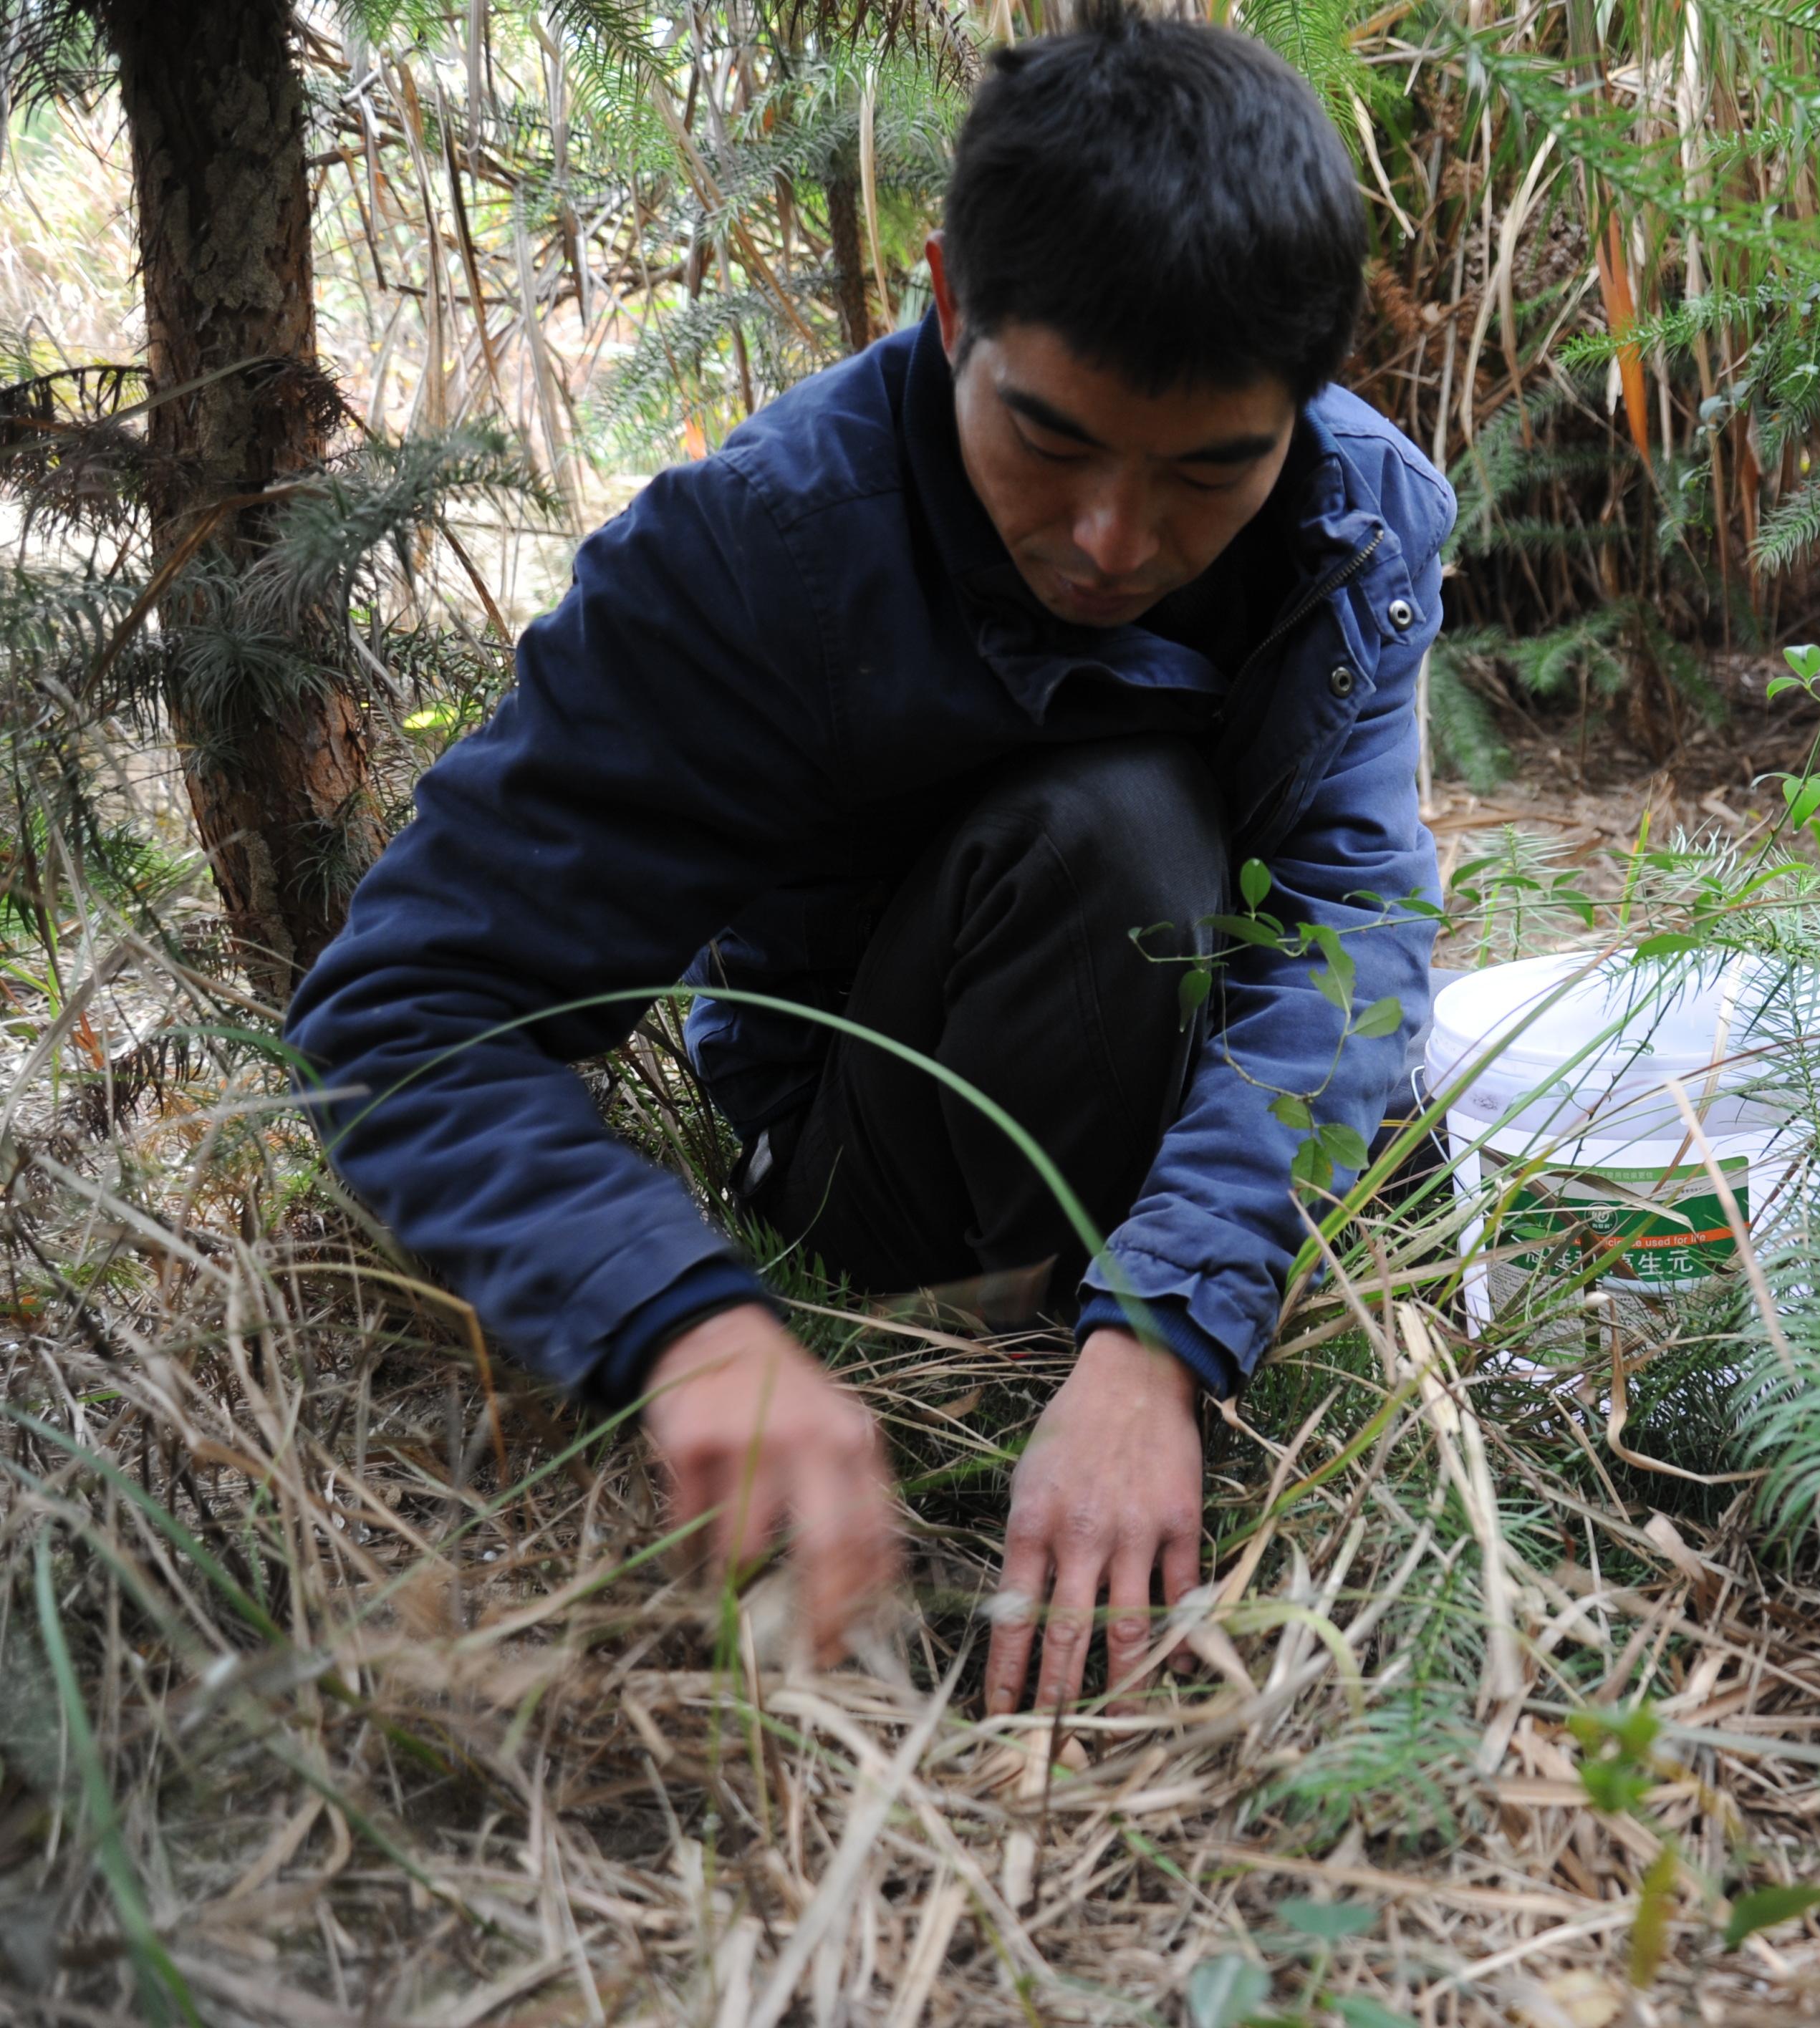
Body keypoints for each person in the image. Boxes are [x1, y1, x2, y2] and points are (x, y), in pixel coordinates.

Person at [284, 2, 1448, 1717]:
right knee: (1120, 833)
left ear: (1312, 395)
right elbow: (405, 1014)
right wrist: (686, 1322)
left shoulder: (1358, 520)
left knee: (1389, 1075)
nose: (1117, 540)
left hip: (1167, 1123)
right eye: (1048, 441)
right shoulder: (759, 556)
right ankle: (1010, 1358)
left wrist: (1161, 1338)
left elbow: (1350, 920)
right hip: (872, 1140)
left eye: (1211, 469)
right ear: (950, 303)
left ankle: (1130, 1342)